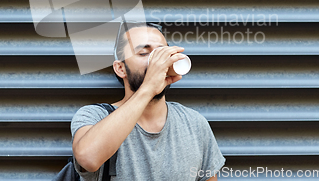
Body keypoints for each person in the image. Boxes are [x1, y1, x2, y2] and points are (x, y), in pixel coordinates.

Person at [70, 21, 226, 181]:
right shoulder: (93, 116)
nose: (157, 62)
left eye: (162, 53)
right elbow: (88, 159)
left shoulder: (194, 123)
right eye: (144, 53)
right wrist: (149, 87)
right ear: (120, 68)